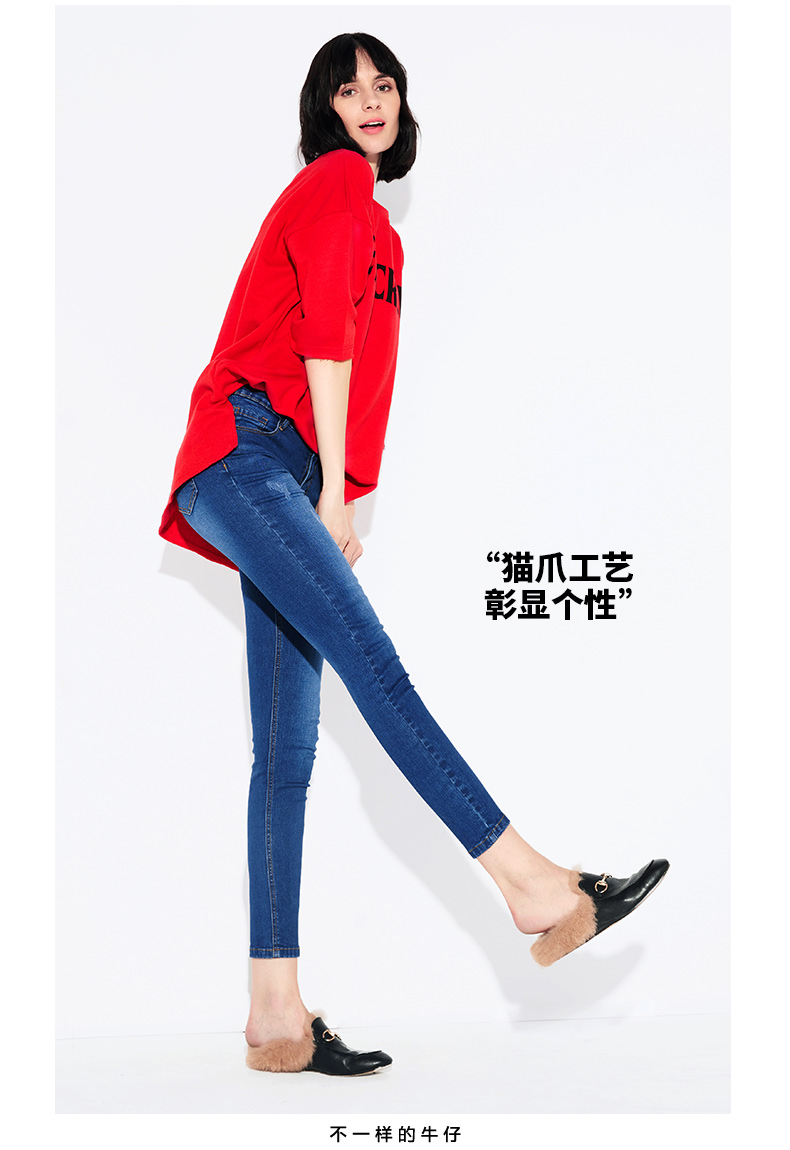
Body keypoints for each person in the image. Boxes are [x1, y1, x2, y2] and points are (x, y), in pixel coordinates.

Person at [159, 32, 669, 1077]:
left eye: (383, 84)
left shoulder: (381, 227)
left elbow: (358, 362)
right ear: (325, 111)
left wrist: (335, 480)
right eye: (348, 89)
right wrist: (335, 495)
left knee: (286, 753)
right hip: (249, 455)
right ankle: (531, 883)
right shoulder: (336, 183)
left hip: (276, 469)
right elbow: (323, 341)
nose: (370, 101)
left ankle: (274, 1014)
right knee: (375, 668)